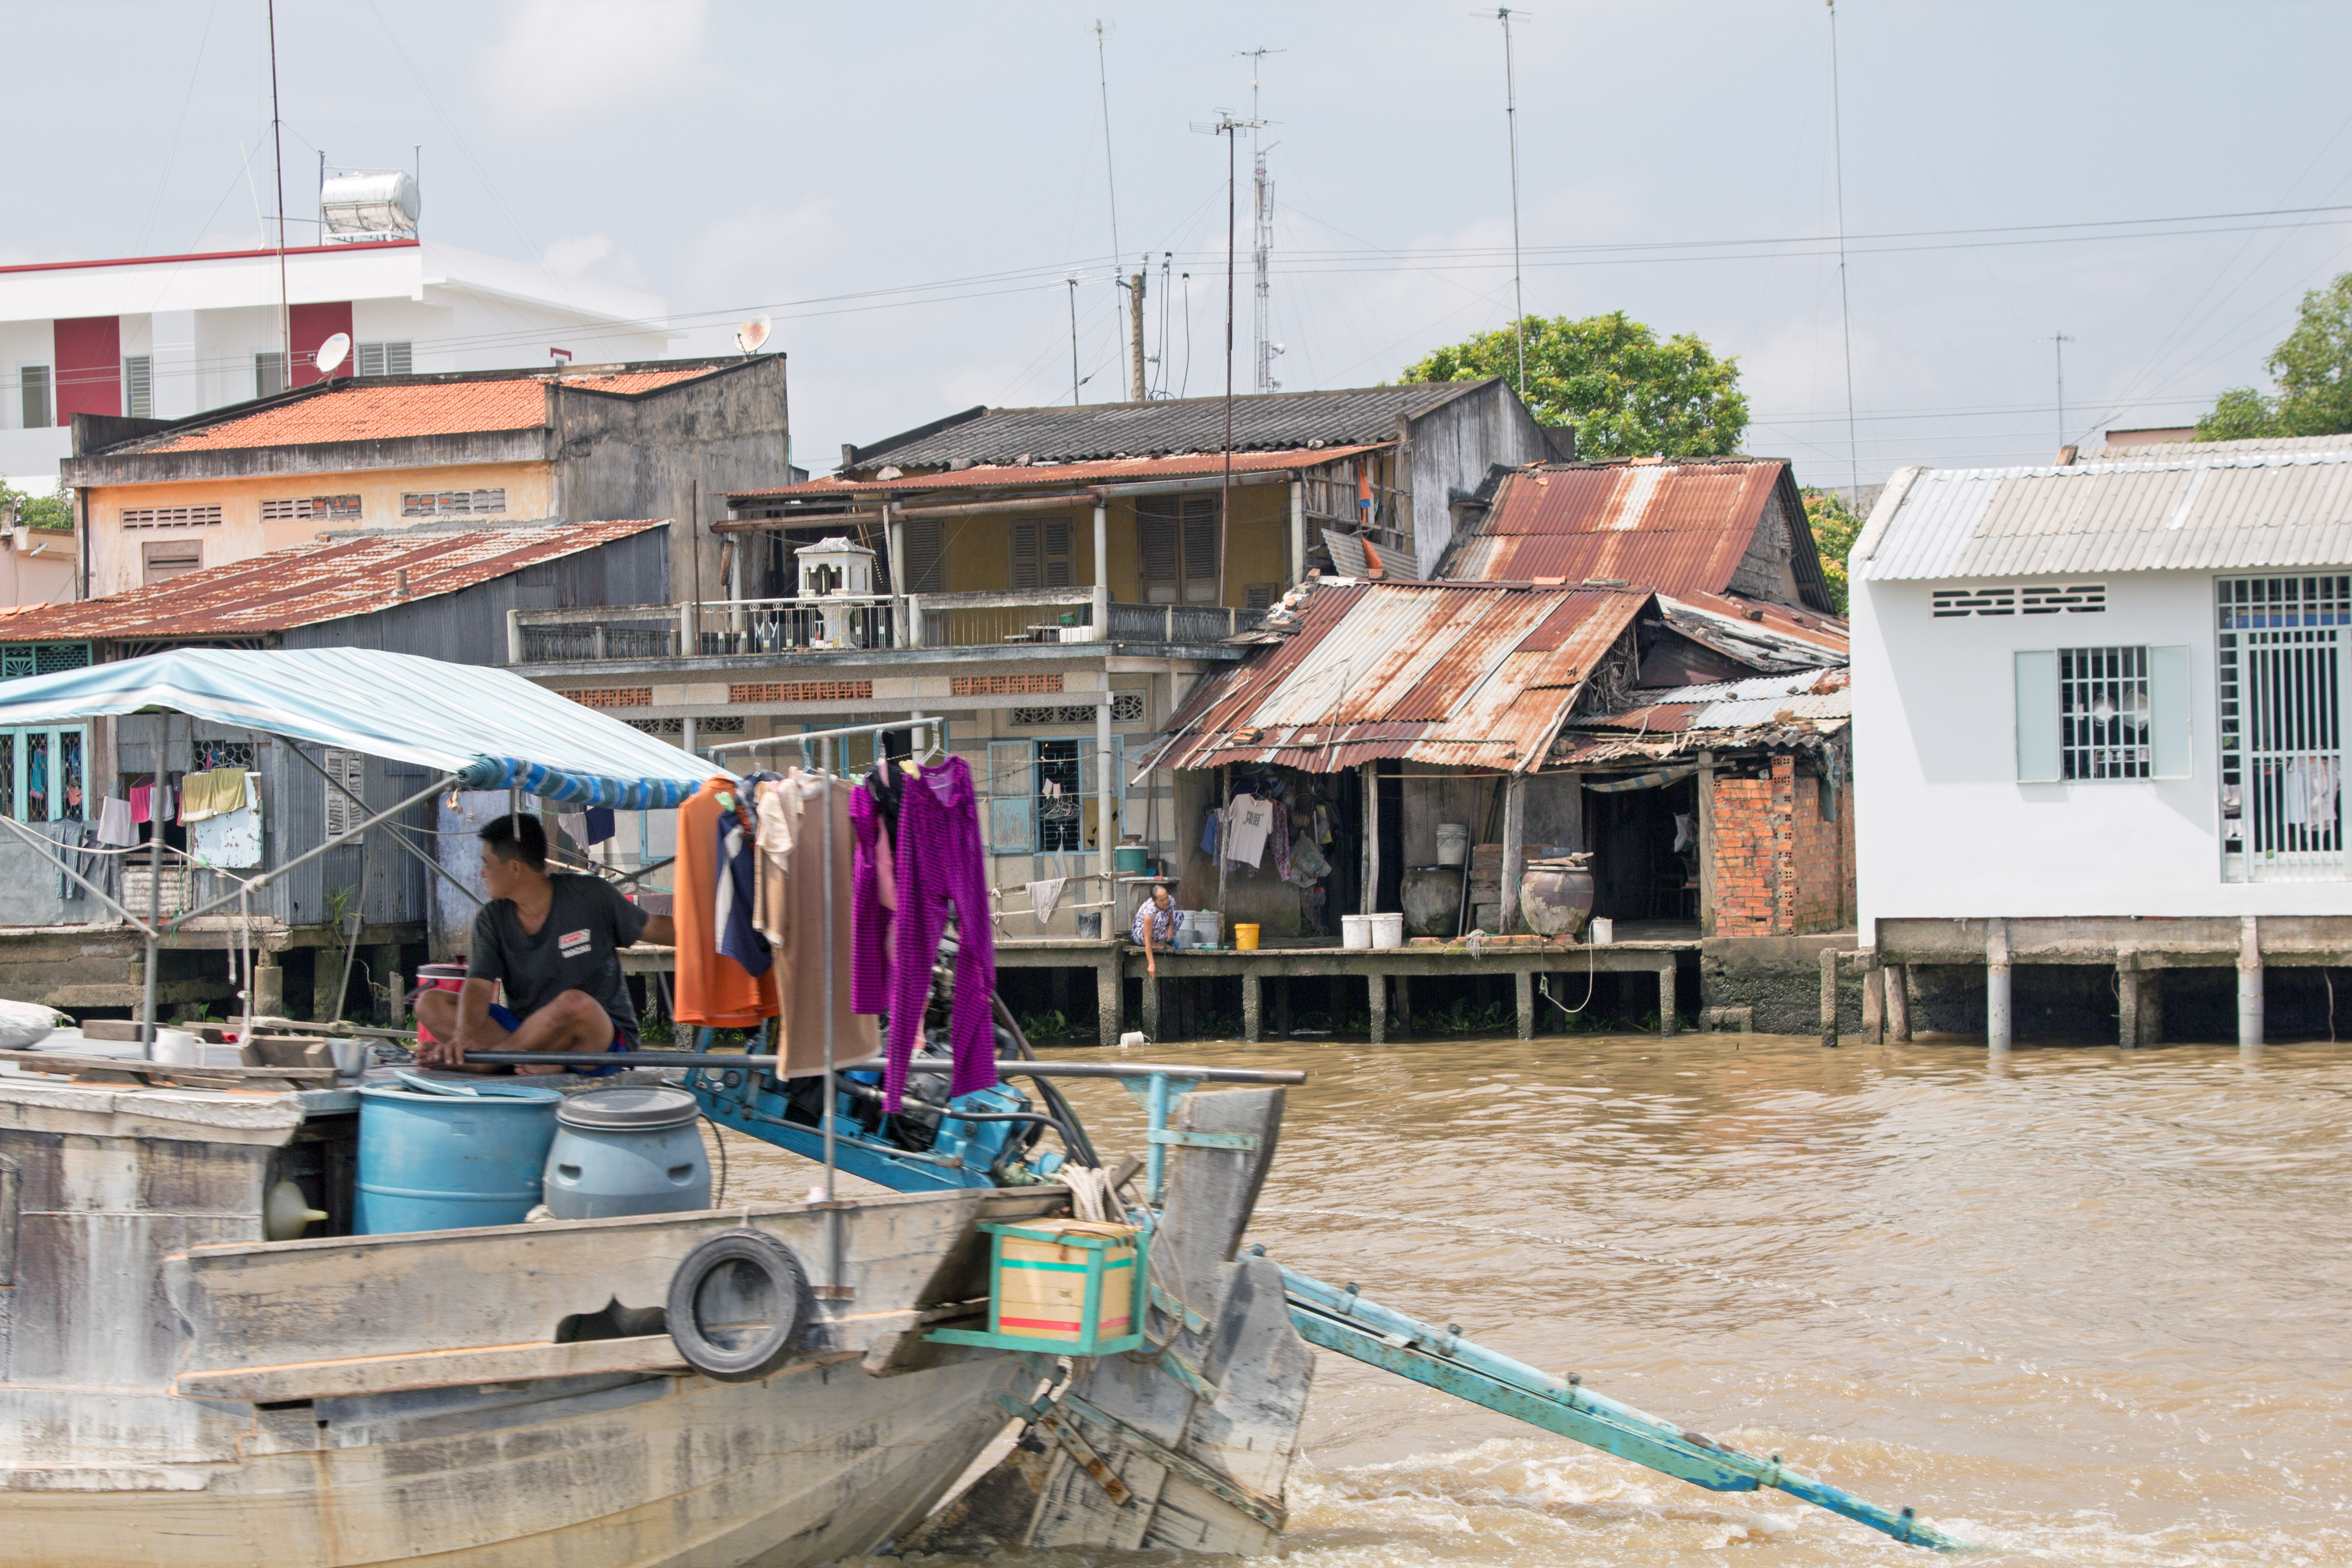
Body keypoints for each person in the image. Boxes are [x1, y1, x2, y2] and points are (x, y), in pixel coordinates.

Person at [413, 814, 674, 1074]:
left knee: (574, 1003)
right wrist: (462, 1036)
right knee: (429, 1003)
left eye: (487, 864)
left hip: (595, 1037)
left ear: (515, 869)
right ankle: (536, 1061)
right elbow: (478, 986)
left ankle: (492, 1060)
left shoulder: (591, 894)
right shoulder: (491, 919)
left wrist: (702, 936)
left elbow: (652, 927)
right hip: (528, 1032)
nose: (482, 873)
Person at [1132, 880, 1177, 978]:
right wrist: (1151, 964)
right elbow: (1147, 939)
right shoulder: (1150, 910)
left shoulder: (1171, 901)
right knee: (1161, 916)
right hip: (1141, 935)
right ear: (1154, 901)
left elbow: (1171, 918)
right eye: (1162, 900)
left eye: (1166, 898)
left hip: (1158, 932)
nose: (1166, 902)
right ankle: (1155, 942)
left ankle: (1162, 941)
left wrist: (1171, 927)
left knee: (1180, 916)